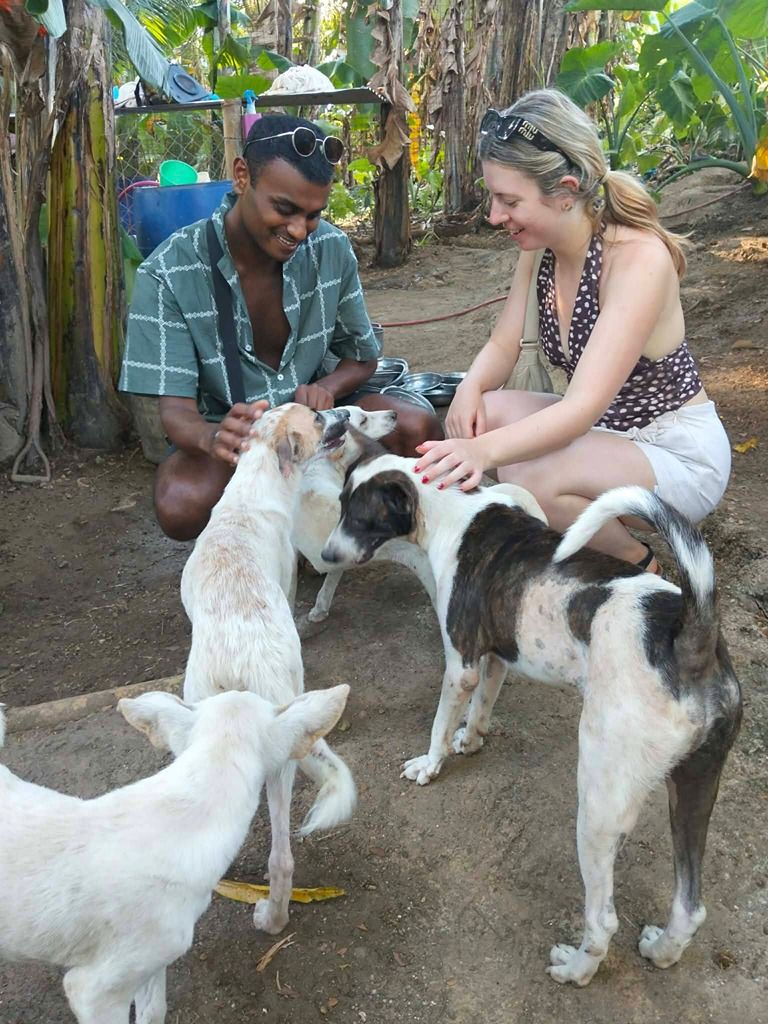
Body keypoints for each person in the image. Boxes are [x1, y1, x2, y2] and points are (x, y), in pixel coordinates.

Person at [414, 89, 731, 572]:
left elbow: (580, 409)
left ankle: (638, 562)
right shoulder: (537, 249)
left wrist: (478, 452)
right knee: (491, 412)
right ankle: (579, 528)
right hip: (612, 433)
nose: (495, 216)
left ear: (564, 192)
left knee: (532, 475)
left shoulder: (637, 259)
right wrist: (471, 388)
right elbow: (504, 342)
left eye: (508, 200)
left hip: (675, 452)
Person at [119, 114, 443, 541]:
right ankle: (289, 529)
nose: (298, 230)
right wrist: (214, 435)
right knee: (181, 502)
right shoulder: (169, 273)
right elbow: (176, 413)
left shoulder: (329, 247)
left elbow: (362, 357)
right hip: (242, 439)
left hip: (320, 422)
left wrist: (327, 385)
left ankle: (336, 523)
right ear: (241, 176)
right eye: (285, 209)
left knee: (418, 427)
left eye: (312, 215)